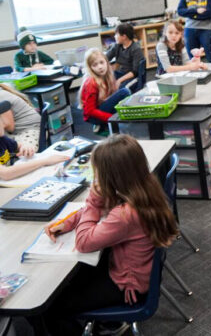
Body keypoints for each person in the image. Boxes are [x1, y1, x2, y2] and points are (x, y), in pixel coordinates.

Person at [40, 134, 178, 335]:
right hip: (134, 271)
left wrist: (92, 201)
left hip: (127, 286)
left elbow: (84, 242)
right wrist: (67, 222)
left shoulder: (126, 214)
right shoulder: (143, 186)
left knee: (50, 306)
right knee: (63, 283)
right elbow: (102, 205)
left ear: (110, 177)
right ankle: (106, 324)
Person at [0, 100, 69, 195]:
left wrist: (26, 146)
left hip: (11, 187)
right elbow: (6, 173)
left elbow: (19, 146)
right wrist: (44, 161)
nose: (4, 122)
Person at [78, 48, 131, 135]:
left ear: (106, 62)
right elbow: (89, 111)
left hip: (100, 107)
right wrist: (111, 118)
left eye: (101, 62)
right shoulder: (91, 83)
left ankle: (108, 124)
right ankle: (104, 124)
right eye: (95, 65)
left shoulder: (108, 75)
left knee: (123, 95)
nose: (100, 67)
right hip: (93, 116)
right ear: (90, 68)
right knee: (124, 92)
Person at [106, 23, 144, 89]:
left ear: (124, 36)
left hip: (132, 77)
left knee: (122, 89)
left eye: (116, 34)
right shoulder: (117, 46)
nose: (114, 36)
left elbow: (135, 72)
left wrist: (119, 81)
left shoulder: (135, 49)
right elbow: (106, 58)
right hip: (121, 73)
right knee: (107, 81)